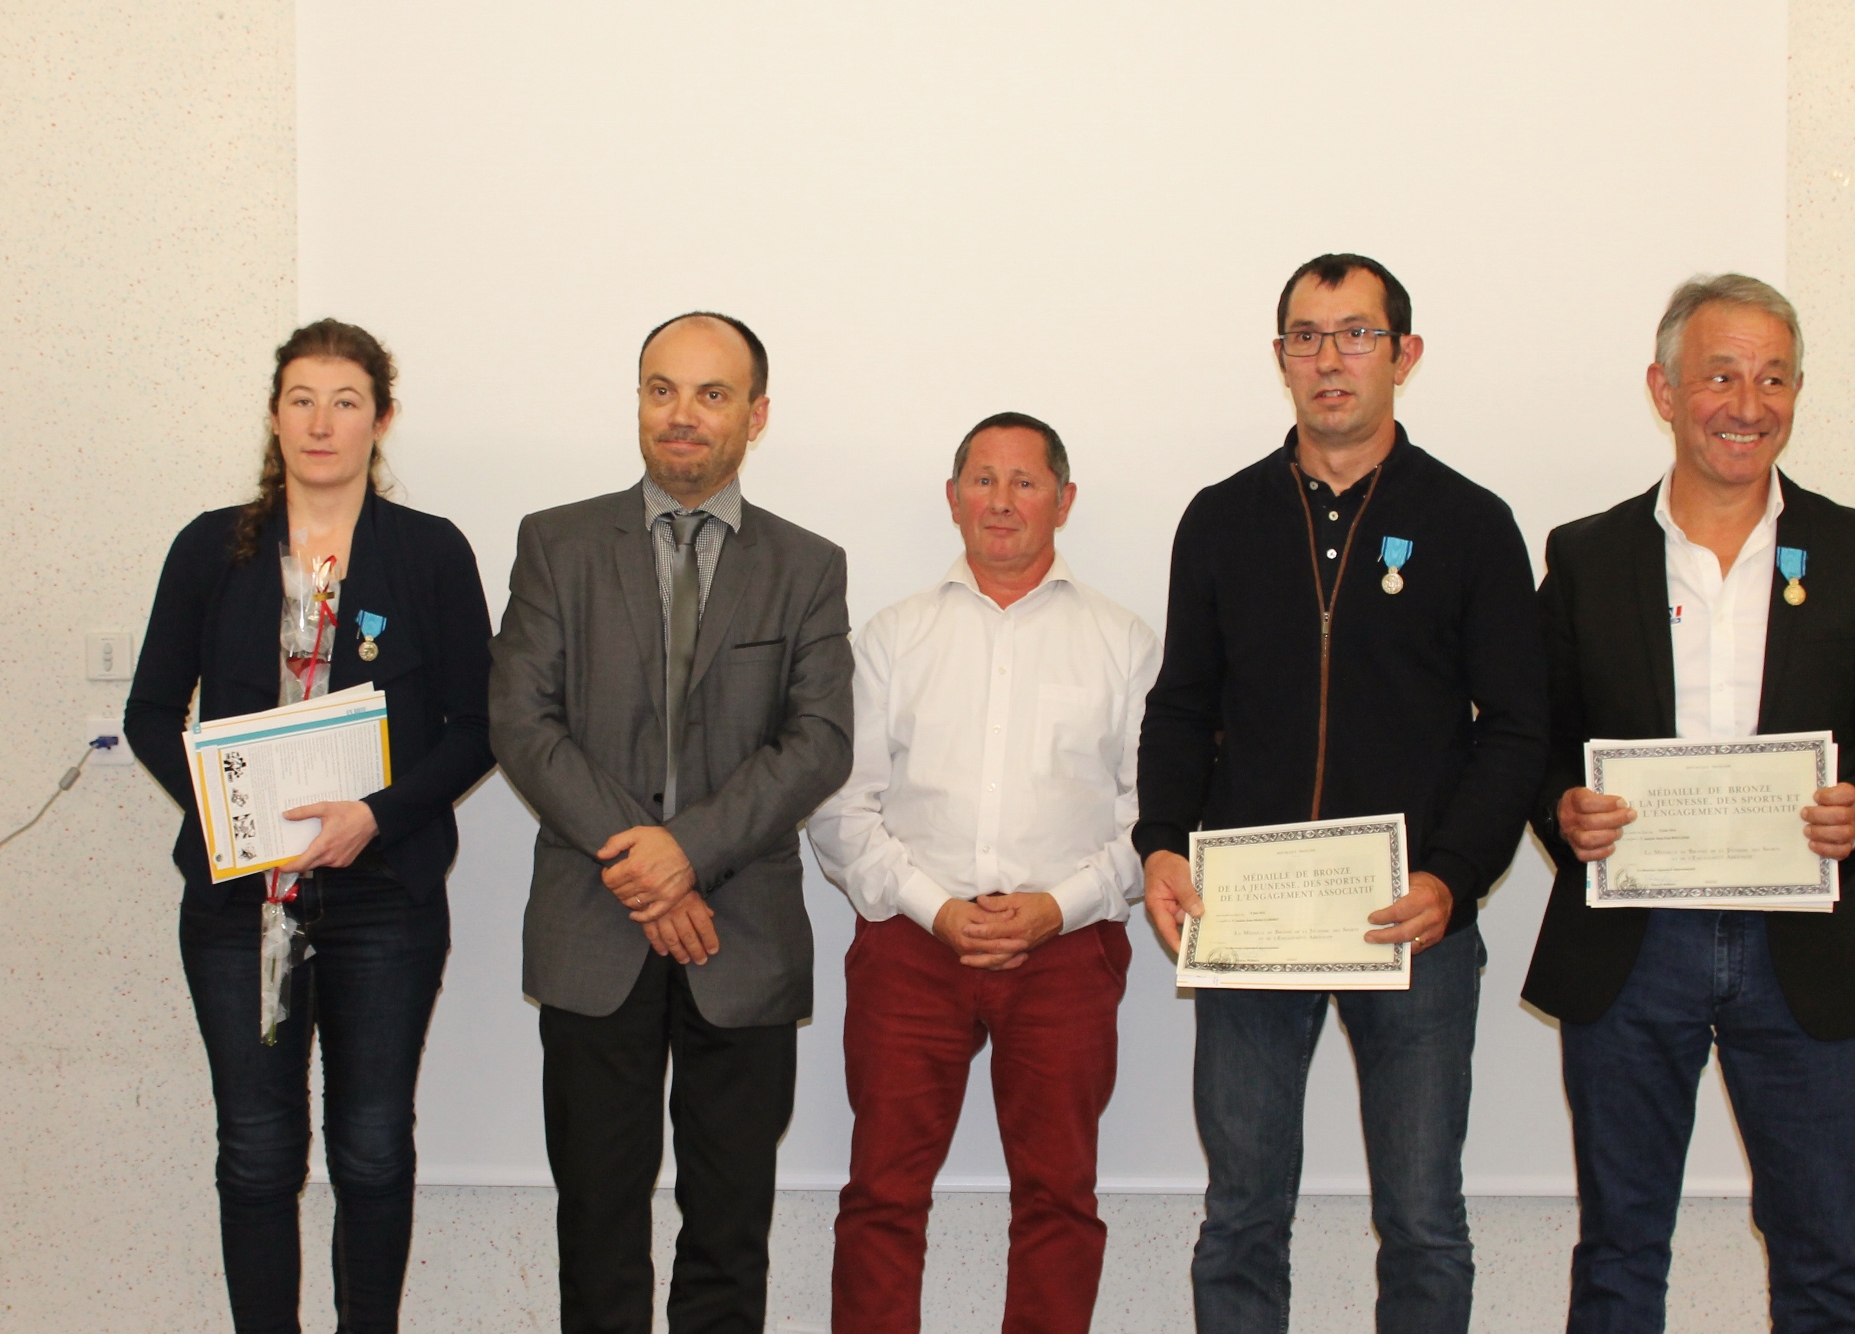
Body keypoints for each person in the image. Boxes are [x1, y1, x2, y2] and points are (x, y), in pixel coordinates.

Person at [1521, 274, 1855, 1333]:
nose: (1746, 404)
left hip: (1802, 946)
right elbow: (1527, 738)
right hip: (1631, 944)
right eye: (1720, 376)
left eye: (1773, 379)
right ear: (1664, 390)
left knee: (1821, 1261)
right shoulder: (1586, 554)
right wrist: (1561, 810)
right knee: (1618, 1257)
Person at [1137, 254, 1548, 1333]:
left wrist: (1454, 874)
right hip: (1251, 914)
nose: (1331, 359)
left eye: (1356, 333)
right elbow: (1181, 707)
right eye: (1307, 336)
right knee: (1240, 1216)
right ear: (1279, 357)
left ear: (1403, 355)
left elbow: (1515, 727)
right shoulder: (1221, 518)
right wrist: (1162, 842)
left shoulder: (1470, 520)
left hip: (1410, 918)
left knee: (1422, 1221)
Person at [125, 319, 495, 1333]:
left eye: (345, 401)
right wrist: (233, 812)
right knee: (255, 1150)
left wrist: (377, 815)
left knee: (371, 1149)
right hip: (237, 903)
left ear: (381, 418)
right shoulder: (211, 547)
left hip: (384, 898)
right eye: (301, 399)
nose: (321, 422)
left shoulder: (429, 551)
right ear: (274, 415)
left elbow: (478, 727)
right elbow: (151, 714)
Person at [489, 311, 853, 1333]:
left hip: (743, 937)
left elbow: (818, 741)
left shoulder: (807, 564)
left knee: (728, 1235)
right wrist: (644, 868)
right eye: (661, 390)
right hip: (592, 929)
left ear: (756, 415)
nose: (680, 415)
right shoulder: (555, 542)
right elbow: (521, 721)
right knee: (597, 1226)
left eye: (710, 394)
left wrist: (684, 853)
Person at [809, 412, 1161, 1334]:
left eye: (1025, 481)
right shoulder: (893, 636)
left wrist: (1058, 907)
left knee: (1059, 1198)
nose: (1002, 501)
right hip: (910, 947)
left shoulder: (1124, 642)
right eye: (983, 480)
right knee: (882, 1194)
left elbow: (1156, 820)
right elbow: (840, 806)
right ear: (953, 497)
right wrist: (934, 909)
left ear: (1064, 501)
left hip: (1067, 952)